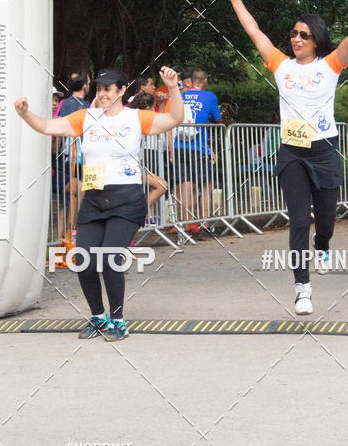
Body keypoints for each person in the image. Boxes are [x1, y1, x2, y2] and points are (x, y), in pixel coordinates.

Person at [218, 0, 348, 315]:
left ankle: (323, 243)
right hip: (292, 154)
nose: (296, 39)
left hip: (325, 151)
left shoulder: (331, 66)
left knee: (325, 220)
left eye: (304, 35)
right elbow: (254, 32)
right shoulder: (280, 65)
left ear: (316, 40)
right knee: (298, 220)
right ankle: (302, 288)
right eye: (294, 34)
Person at [14, 66, 184, 340]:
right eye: (99, 89)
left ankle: (118, 321)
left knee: (109, 258)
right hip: (94, 199)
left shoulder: (135, 118)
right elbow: (46, 126)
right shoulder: (86, 117)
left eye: (108, 89)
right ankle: (97, 316)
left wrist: (174, 88)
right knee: (83, 260)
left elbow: (175, 118)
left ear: (122, 90)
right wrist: (25, 114)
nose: (102, 94)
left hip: (126, 199)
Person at [167, 66, 221, 233]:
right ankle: (204, 223)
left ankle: (185, 223)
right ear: (204, 80)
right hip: (199, 148)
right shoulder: (210, 96)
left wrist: (170, 151)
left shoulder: (180, 96)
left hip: (178, 146)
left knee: (186, 185)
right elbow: (217, 118)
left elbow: (169, 122)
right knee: (206, 185)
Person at [129, 91, 168, 216]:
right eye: (152, 107)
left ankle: (146, 213)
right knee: (161, 185)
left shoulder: (133, 116)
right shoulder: (139, 119)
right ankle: (142, 211)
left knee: (156, 186)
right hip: (135, 165)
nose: (153, 110)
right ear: (147, 107)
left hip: (139, 162)